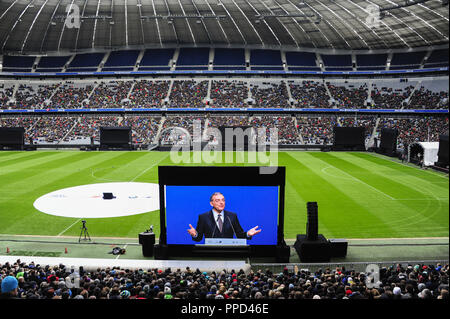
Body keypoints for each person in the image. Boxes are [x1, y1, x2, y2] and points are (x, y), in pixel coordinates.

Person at [187, 192, 261, 242]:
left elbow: (239, 235)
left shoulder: (232, 216)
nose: (221, 202)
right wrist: (195, 234)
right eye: (217, 200)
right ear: (211, 203)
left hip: (229, 251)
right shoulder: (203, 217)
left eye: (223, 200)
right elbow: (198, 238)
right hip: (210, 252)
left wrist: (248, 234)